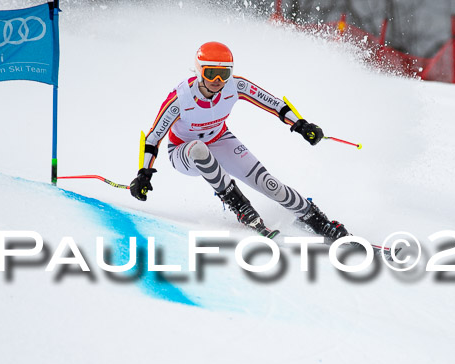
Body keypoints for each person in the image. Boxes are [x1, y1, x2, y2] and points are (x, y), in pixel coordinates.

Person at [129, 41, 349, 241]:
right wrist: (143, 173)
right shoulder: (181, 99)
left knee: (270, 184)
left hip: (220, 140)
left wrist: (301, 124)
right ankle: (241, 207)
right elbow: (153, 136)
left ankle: (317, 220)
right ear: (199, 71)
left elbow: (273, 103)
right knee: (198, 149)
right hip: (183, 152)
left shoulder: (235, 86)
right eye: (211, 73)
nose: (218, 81)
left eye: (224, 74)